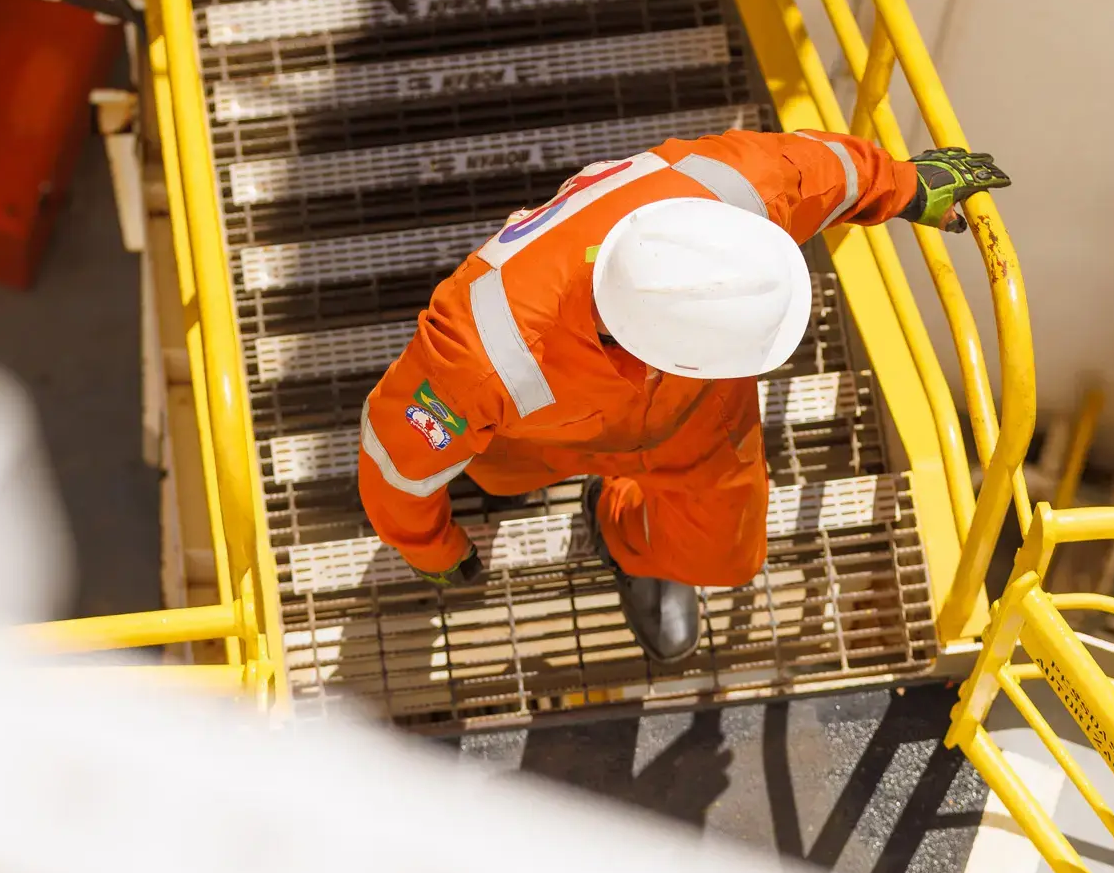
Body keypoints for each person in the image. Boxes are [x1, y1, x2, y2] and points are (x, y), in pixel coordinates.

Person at [357, 129, 1009, 663]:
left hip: (695, 407)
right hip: (543, 428)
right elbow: (396, 464)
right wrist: (432, 547)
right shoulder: (480, 356)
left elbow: (821, 171)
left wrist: (905, 185)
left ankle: (621, 527)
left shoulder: (733, 192)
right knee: (498, 474)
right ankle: (594, 497)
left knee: (725, 553)